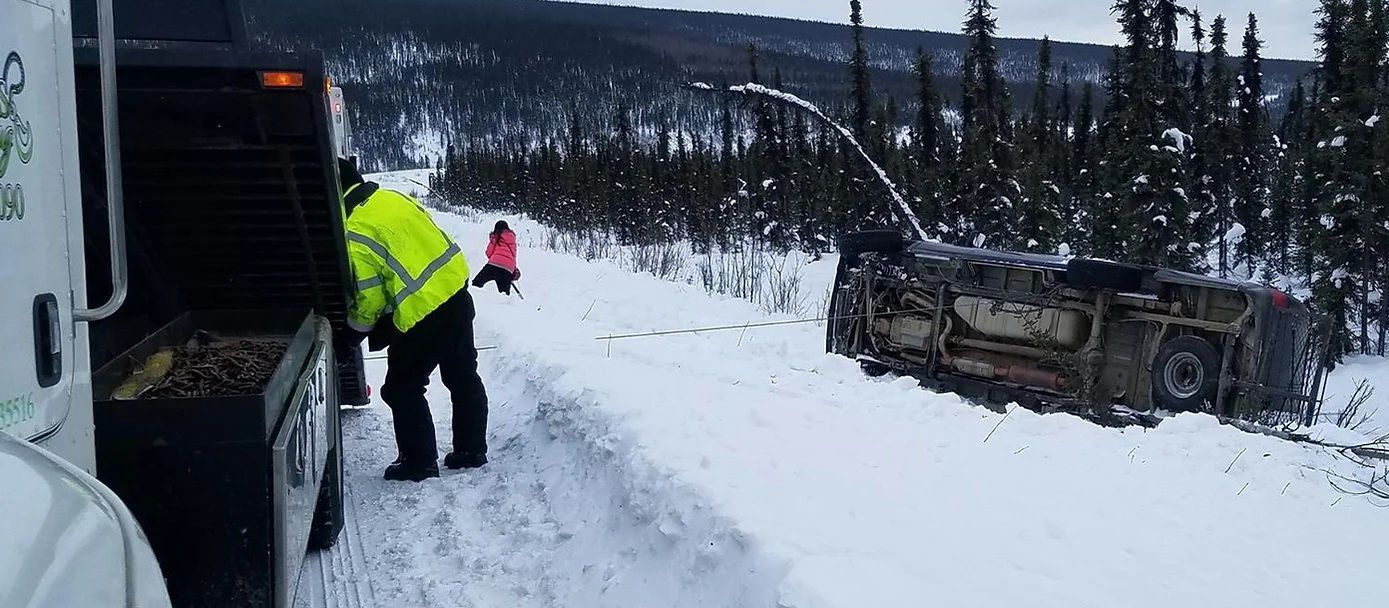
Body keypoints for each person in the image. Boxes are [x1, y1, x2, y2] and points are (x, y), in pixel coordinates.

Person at [339, 158, 489, 482]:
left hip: (422, 313)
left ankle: (418, 462)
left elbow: (369, 298)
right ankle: (471, 450)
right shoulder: (392, 197)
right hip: (457, 294)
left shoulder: (354, 232)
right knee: (463, 376)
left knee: (401, 388)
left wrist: (349, 337)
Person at [472, 220, 519, 295]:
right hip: (508, 268)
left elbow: (488, 253)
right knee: (505, 295)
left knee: (476, 284)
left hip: (494, 265)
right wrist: (513, 269)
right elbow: (513, 256)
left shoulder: (495, 237)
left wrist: (492, 239)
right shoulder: (512, 240)